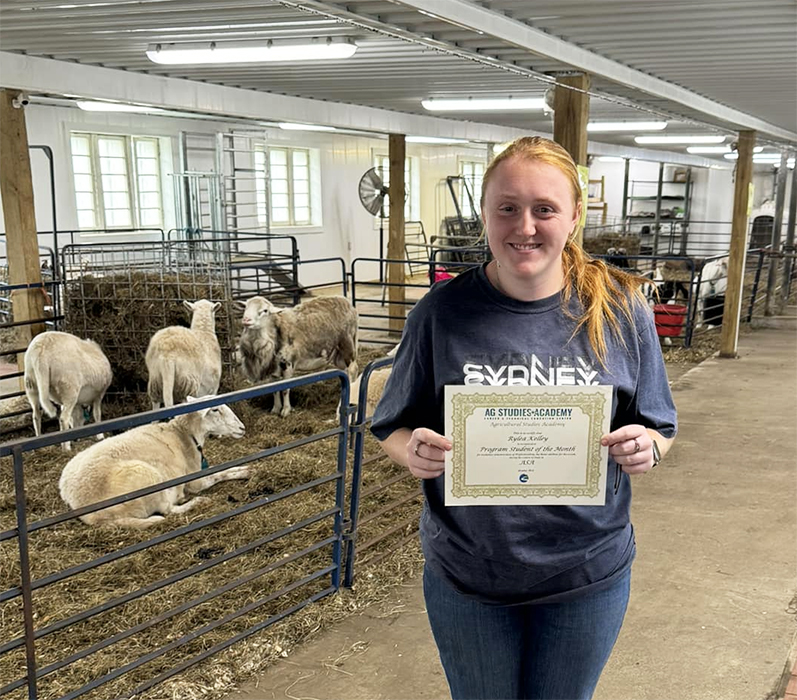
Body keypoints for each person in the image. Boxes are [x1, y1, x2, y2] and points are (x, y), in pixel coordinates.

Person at [370, 136, 677, 700]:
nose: (525, 226)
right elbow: (392, 422)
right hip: (470, 574)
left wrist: (647, 447)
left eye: (545, 209)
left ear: (574, 216)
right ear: (485, 214)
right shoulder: (440, 312)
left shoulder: (621, 308)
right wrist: (411, 450)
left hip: (587, 571)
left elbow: (659, 424)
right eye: (507, 208)